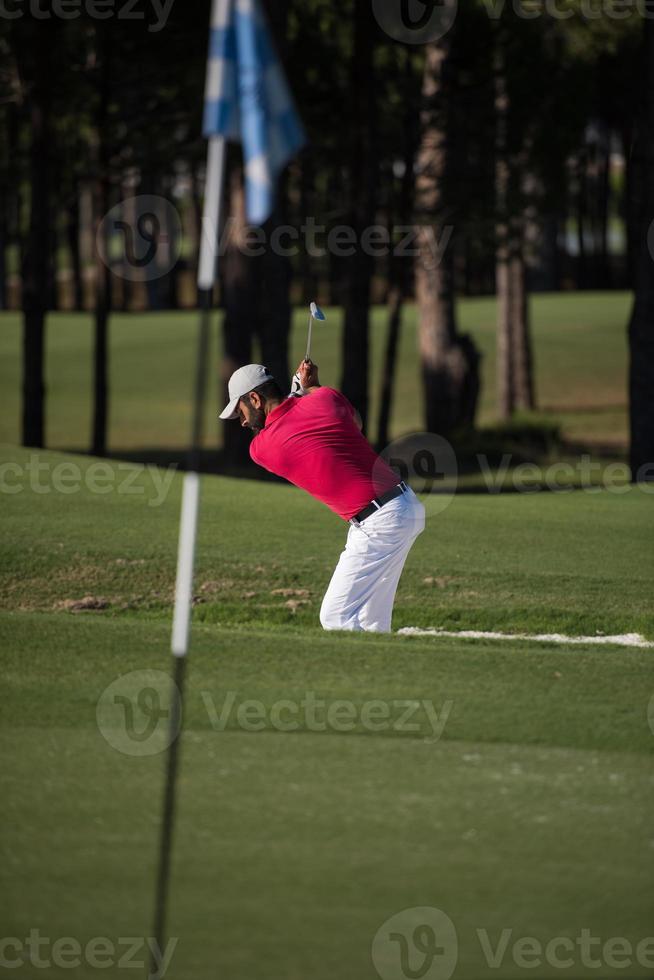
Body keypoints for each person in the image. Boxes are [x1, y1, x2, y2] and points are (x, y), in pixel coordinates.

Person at [219, 359, 425, 633]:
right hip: (404, 505)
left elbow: (284, 424)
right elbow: (355, 422)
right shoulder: (326, 398)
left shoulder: (261, 449)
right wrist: (311, 388)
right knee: (371, 622)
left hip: (381, 521)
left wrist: (297, 394)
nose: (242, 421)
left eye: (240, 410)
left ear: (255, 398)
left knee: (335, 616)